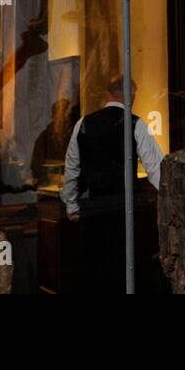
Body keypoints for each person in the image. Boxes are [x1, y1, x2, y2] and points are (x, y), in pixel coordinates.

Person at [61, 75, 163, 293]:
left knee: (93, 273)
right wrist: (169, 200)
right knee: (123, 272)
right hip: (123, 210)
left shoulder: (84, 124)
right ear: (132, 97)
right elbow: (157, 170)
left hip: (92, 209)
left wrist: (71, 204)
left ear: (108, 94)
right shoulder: (136, 124)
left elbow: (71, 168)